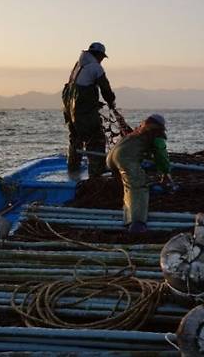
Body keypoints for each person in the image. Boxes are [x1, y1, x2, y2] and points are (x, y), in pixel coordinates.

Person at [106, 114, 173, 233]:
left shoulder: (138, 132)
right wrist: (166, 173)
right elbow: (161, 155)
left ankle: (127, 213)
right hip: (124, 158)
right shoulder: (156, 135)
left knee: (128, 185)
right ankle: (137, 223)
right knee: (138, 185)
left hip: (111, 157)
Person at [62, 42, 116, 177]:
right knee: (96, 139)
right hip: (83, 113)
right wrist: (111, 103)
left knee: (75, 139)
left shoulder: (78, 65)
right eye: (102, 57)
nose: (102, 60)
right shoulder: (96, 67)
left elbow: (75, 90)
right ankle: (96, 174)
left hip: (69, 110)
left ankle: (72, 170)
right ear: (98, 55)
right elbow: (105, 89)